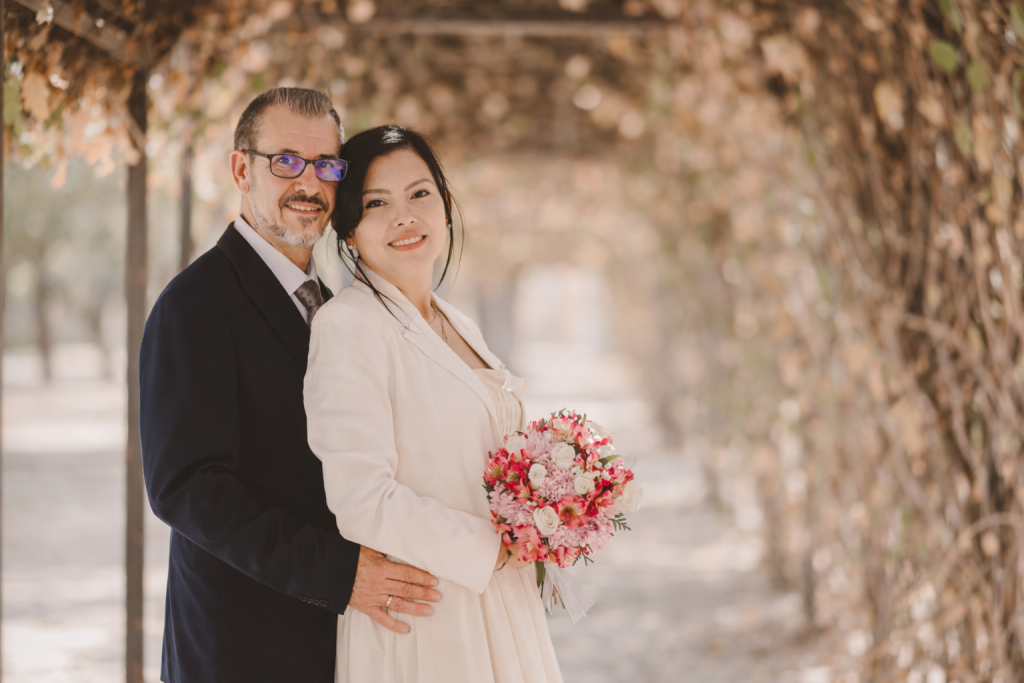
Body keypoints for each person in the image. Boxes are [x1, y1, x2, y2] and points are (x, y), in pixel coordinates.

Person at [139, 89, 442, 683]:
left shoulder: (330, 304)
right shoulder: (194, 304)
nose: (308, 183)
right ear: (240, 170)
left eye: (326, 165)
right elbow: (187, 488)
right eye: (285, 162)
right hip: (243, 647)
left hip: (334, 642)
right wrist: (340, 574)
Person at [304, 125, 564, 683]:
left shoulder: (456, 321)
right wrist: (491, 549)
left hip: (501, 600)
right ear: (348, 228)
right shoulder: (348, 325)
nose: (405, 217)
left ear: (445, 205)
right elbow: (361, 499)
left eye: (419, 194)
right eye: (377, 203)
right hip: (428, 615)